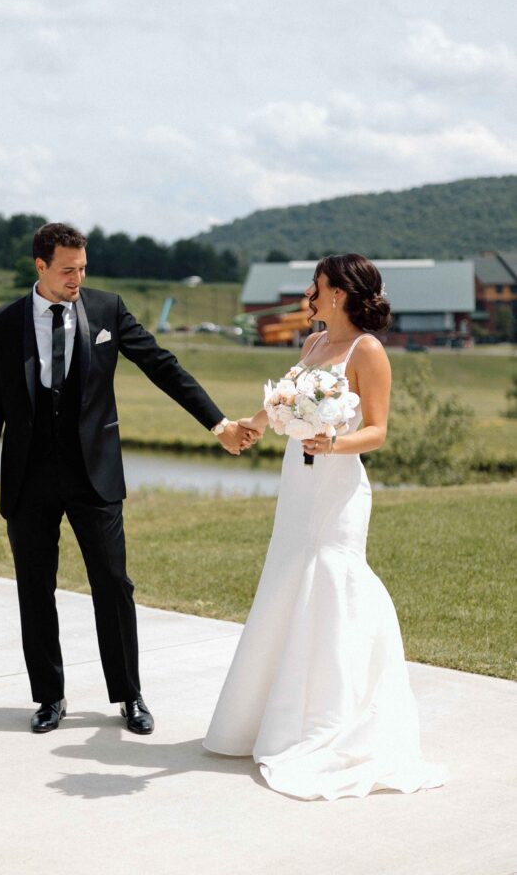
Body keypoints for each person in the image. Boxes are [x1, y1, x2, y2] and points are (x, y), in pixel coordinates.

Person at [0, 222, 252, 735]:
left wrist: (218, 422)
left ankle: (129, 694)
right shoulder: (2, 322)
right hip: (28, 478)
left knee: (114, 584)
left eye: (82, 267)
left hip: (94, 475)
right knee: (35, 588)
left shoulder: (106, 309)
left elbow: (162, 366)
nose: (77, 277)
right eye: (67, 269)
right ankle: (49, 697)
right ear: (40, 266)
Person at [203, 253, 447, 800]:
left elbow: (379, 431)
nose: (308, 293)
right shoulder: (312, 344)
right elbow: (283, 401)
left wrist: (334, 442)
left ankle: (331, 715)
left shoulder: (369, 351)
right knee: (289, 576)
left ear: (337, 292)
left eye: (315, 285)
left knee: (333, 578)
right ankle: (267, 715)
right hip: (299, 477)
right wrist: (253, 424)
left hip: (337, 482)